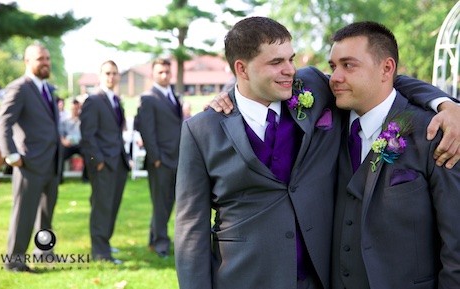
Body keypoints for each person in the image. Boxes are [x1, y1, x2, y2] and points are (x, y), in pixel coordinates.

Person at [178, 17, 460, 289]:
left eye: (291, 58)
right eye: (277, 62)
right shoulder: (202, 129)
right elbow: (191, 230)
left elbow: (381, 79)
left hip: (321, 278)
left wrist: (445, 103)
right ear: (241, 69)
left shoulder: (311, 87)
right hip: (244, 277)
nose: (290, 69)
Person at [329, 21, 460, 289]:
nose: (334, 77)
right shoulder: (326, 125)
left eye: (348, 65)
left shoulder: (435, 132)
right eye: (332, 66)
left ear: (386, 68)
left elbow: (457, 243)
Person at [0, 44, 61, 272]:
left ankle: (44, 253)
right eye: (40, 58)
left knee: (45, 215)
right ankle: (14, 262)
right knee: (23, 214)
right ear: (27, 61)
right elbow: (3, 122)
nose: (45, 62)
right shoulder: (19, 88)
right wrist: (11, 155)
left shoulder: (48, 88)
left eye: (48, 58)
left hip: (51, 163)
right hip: (29, 163)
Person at [80, 60, 130, 264]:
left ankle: (105, 243)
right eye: (107, 73)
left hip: (118, 163)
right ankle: (101, 253)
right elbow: (87, 136)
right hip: (103, 165)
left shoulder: (115, 100)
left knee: (112, 206)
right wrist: (97, 162)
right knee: (101, 208)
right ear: (100, 76)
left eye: (114, 73)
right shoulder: (93, 100)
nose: (111, 77)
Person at [136, 58, 183, 258]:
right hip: (161, 160)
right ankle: (161, 244)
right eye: (160, 72)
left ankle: (154, 238)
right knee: (161, 203)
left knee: (169, 202)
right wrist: (157, 158)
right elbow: (147, 131)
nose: (164, 75)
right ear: (153, 74)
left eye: (167, 71)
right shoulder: (149, 98)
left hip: (177, 158)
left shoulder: (173, 95)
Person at [59, 99, 87, 183]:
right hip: (68, 145)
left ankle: (86, 178)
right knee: (60, 154)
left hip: (80, 144)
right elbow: (61, 135)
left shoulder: (83, 121)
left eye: (77, 109)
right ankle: (59, 179)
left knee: (89, 155)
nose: (75, 111)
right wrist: (64, 142)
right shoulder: (65, 121)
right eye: (73, 109)